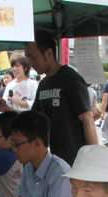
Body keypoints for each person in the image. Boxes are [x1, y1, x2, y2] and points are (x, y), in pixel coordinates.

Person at [26, 30, 98, 166]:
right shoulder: (43, 84)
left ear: (48, 54)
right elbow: (33, 117)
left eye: (33, 57)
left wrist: (94, 160)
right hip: (56, 159)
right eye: (27, 57)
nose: (30, 62)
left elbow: (87, 118)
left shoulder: (70, 78)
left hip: (78, 160)